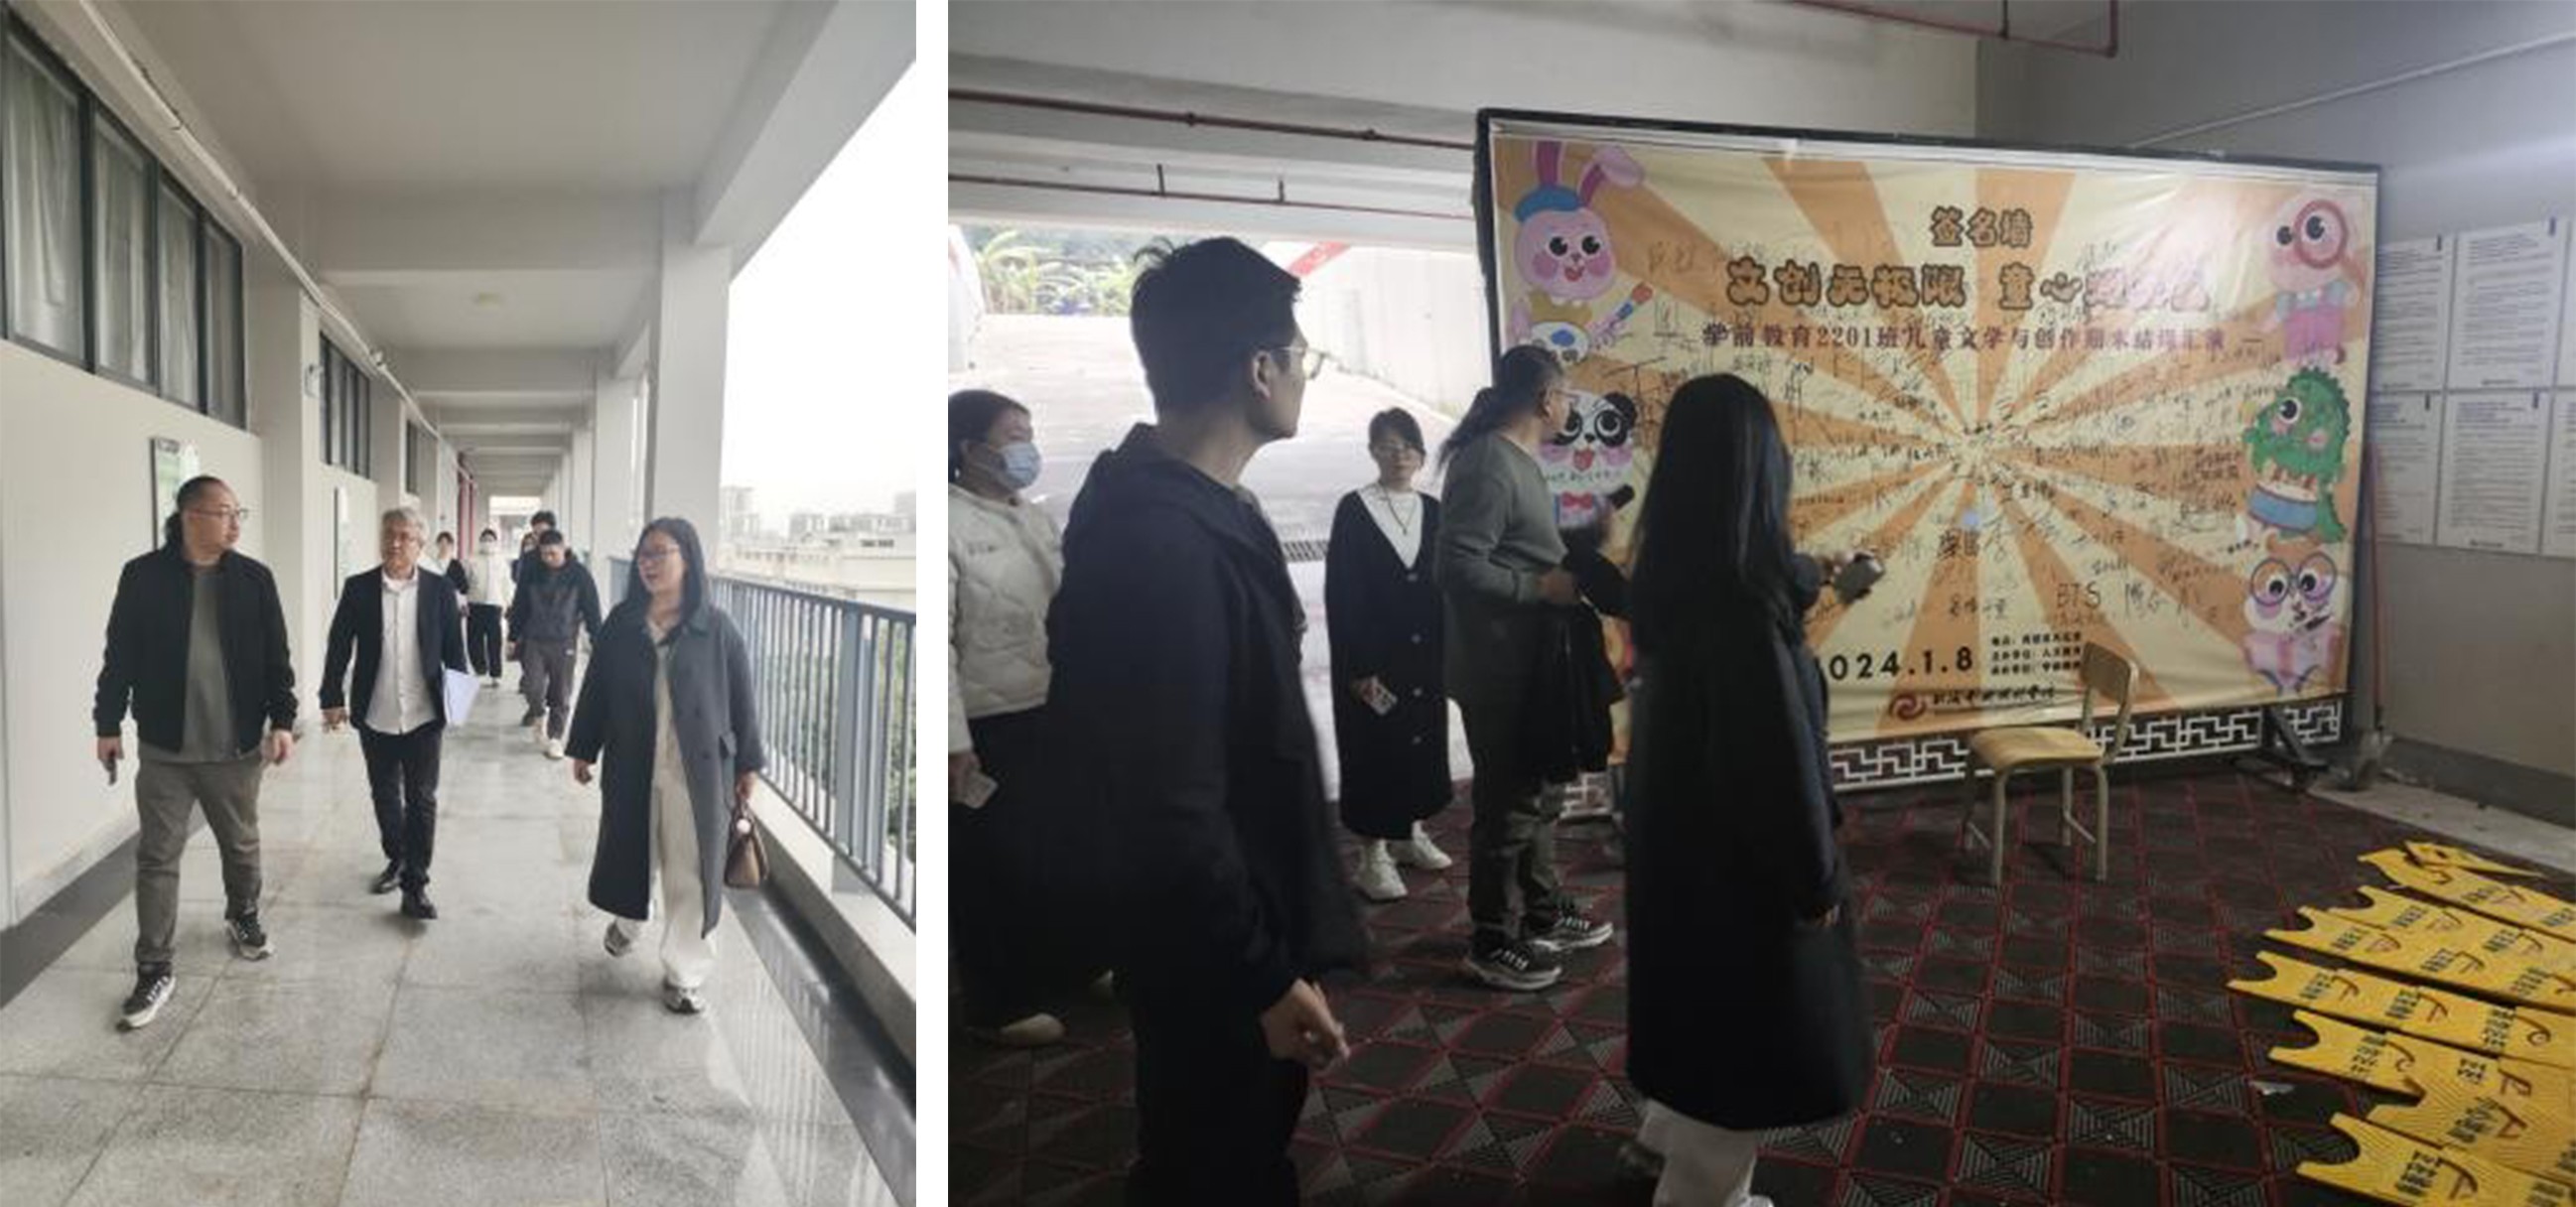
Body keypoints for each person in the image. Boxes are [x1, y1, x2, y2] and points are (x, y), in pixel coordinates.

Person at [1044, 237, 1362, 1204]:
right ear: (1259, 368)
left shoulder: (1195, 506)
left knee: (1223, 1141)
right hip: (1210, 940)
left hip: (1223, 915)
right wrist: (1261, 974)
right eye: (1300, 356)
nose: (1303, 374)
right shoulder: (1161, 545)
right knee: (1215, 1157)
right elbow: (1171, 804)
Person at [1621, 374, 1873, 1207]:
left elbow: (1762, 586)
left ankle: (1662, 1142)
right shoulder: (1739, 611)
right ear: (1759, 469)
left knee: (1697, 1017)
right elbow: (1775, 766)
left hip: (1680, 856)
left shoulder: (1675, 573)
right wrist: (1815, 882)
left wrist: (1808, 578)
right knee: (1744, 1048)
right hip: (1738, 875)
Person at [1433, 344, 1613, 993]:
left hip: (1532, 670)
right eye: (1565, 395)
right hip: (1498, 673)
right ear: (1544, 399)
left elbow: (1522, 549)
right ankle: (1490, 937)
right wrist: (1537, 589)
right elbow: (1456, 566)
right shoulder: (1487, 462)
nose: (1567, 406)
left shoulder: (1517, 461)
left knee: (1539, 799)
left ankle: (1540, 910)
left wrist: (1582, 541)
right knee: (1507, 808)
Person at [93, 475, 296, 1029]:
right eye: (223, 512)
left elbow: (277, 657)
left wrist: (283, 720)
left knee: (241, 844)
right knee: (157, 857)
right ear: (189, 516)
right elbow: (120, 655)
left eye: (238, 513)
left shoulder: (254, 579)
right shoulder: (143, 576)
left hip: (235, 748)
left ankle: (243, 913)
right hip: (165, 749)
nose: (234, 524)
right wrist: (106, 723)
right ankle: (154, 966)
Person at [567, 517, 765, 1015]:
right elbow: (596, 688)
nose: (648, 563)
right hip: (633, 762)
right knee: (632, 852)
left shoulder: (716, 628)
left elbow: (742, 700)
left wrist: (748, 764)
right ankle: (631, 920)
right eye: (643, 554)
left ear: (688, 559)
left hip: (696, 773)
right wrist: (583, 746)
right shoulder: (622, 623)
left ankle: (684, 974)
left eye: (660, 553)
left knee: (690, 872)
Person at [948, 388, 1075, 1048]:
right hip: (990, 722)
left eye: (1030, 434)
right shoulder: (948, 523)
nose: (1027, 449)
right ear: (970, 449)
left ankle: (1070, 963)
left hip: (1053, 708)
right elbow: (939, 646)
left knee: (1058, 850)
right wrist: (953, 741)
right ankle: (997, 1002)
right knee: (993, 866)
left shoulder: (1036, 517)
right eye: (1012, 437)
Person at [1324, 408, 1453, 903]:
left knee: (1419, 741)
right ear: (1372, 452)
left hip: (1424, 656)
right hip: (1374, 660)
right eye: (1387, 447)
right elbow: (1342, 594)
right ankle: (1372, 854)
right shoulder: (1354, 509)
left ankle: (1408, 834)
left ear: (1420, 454)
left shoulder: (1433, 510)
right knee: (1375, 747)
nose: (1399, 456)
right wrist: (1358, 668)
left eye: (1408, 447)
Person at [320, 507, 470, 919]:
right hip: (376, 711)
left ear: (420, 544)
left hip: (424, 713)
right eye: (388, 534)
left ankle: (415, 886)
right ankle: (398, 856)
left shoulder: (440, 590)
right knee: (384, 793)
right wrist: (330, 696)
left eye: (404, 536)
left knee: (421, 799)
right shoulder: (358, 588)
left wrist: (458, 705)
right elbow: (338, 645)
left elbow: (455, 652)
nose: (395, 543)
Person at [508, 529, 602, 757]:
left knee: (561, 692)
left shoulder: (579, 574)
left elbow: (592, 608)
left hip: (564, 641)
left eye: (553, 553)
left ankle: (555, 738)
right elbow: (520, 604)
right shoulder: (531, 572)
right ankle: (538, 713)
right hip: (535, 640)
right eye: (544, 554)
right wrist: (512, 636)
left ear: (563, 549)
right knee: (532, 687)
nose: (548, 558)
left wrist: (597, 638)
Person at [463, 528, 513, 686]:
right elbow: (464, 583)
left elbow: (506, 584)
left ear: (495, 542)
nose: (487, 542)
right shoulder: (471, 560)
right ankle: (480, 668)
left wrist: (508, 603)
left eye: (490, 539)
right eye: (484, 539)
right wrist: (463, 602)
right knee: (474, 640)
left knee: (494, 641)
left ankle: (495, 674)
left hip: (494, 605)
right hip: (475, 604)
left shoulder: (501, 562)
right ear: (480, 541)